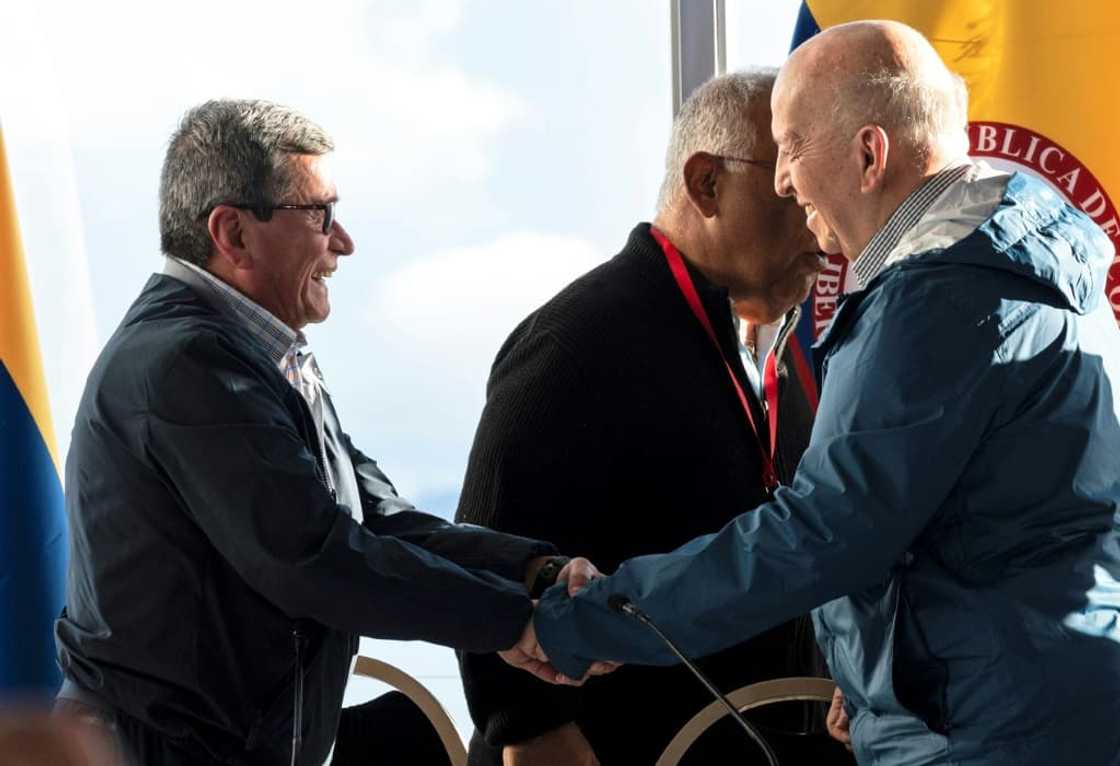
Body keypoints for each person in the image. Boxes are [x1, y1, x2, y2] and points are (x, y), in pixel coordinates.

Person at [526, 20, 1120, 766]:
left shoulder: (939, 302)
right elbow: (967, 529)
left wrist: (579, 622)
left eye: (794, 145)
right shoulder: (1028, 264)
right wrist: (870, 670)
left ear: (870, 154)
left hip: (986, 731)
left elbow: (821, 536)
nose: (783, 180)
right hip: (1035, 703)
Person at [53, 99, 602, 766]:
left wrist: (532, 574)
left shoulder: (254, 354)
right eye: (321, 216)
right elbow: (316, 557)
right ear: (233, 233)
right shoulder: (183, 365)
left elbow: (377, 522)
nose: (344, 244)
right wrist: (518, 623)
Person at [455, 70, 851, 765]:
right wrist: (532, 729)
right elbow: (490, 561)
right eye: (790, 188)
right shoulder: (577, 342)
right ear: (707, 184)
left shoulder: (769, 339)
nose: (821, 216)